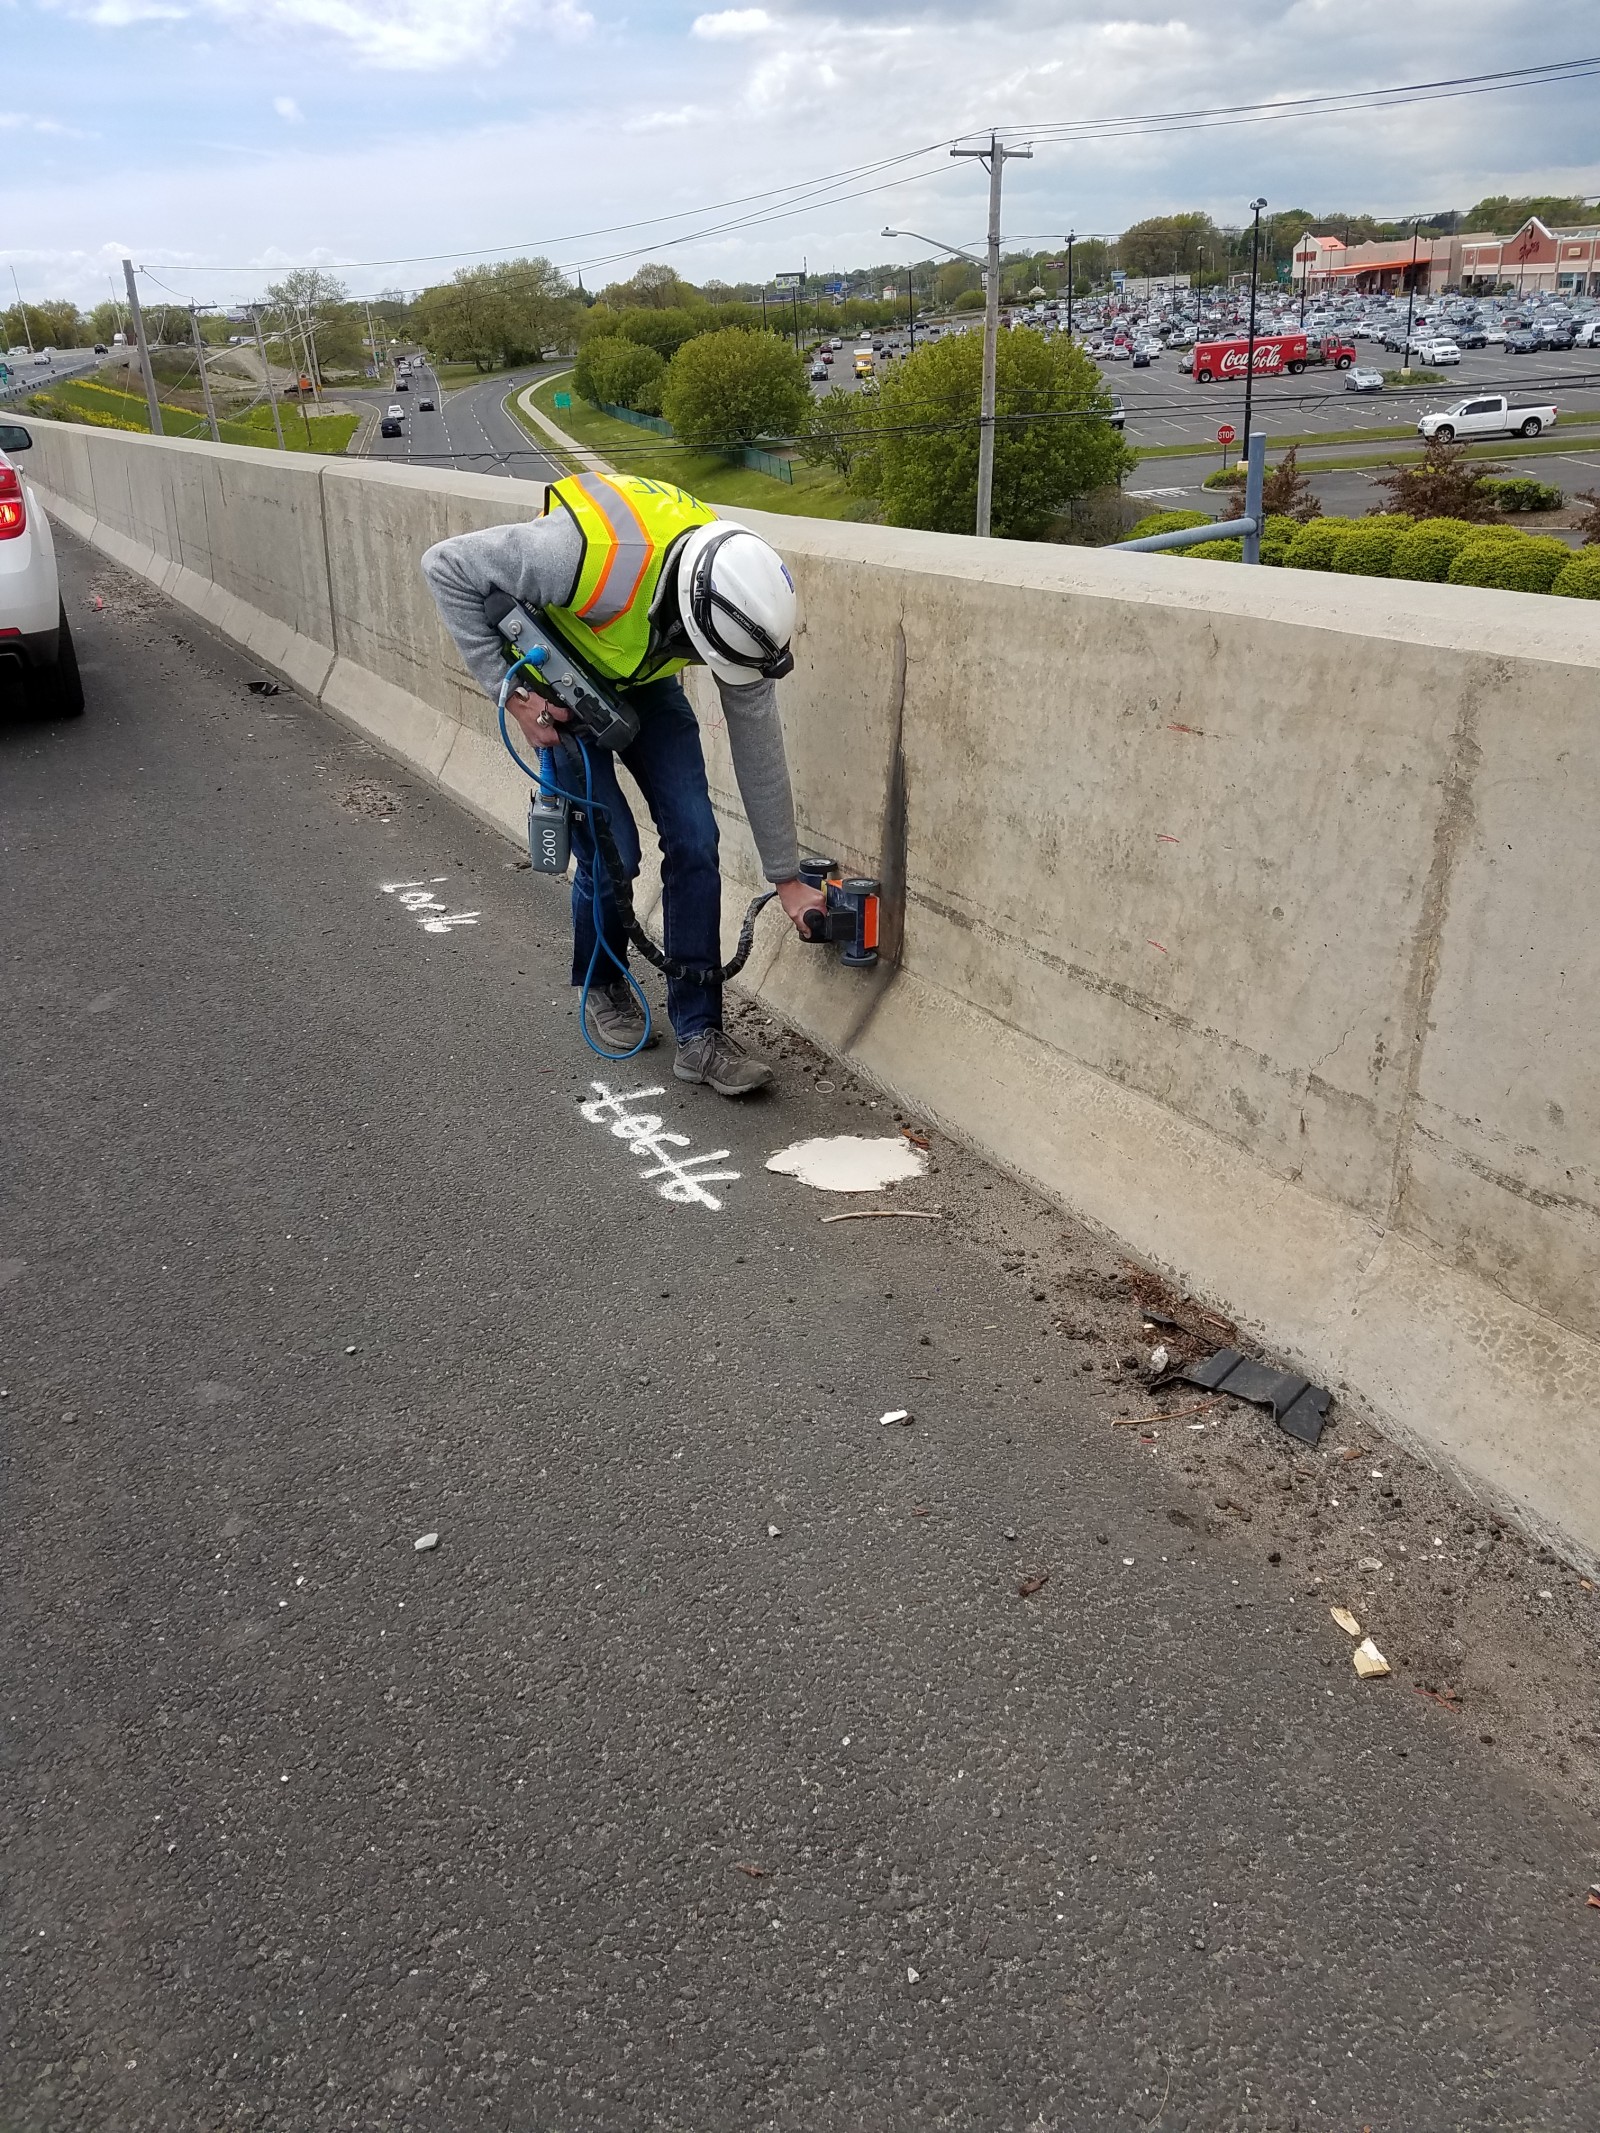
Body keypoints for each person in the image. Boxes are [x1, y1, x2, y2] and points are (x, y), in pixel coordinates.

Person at [422, 471, 825, 1096]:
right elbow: (446, 565)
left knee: (695, 837)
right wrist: (513, 694)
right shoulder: (580, 557)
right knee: (615, 855)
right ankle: (603, 982)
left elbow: (759, 751)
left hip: (641, 680)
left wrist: (787, 877)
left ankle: (700, 1034)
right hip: (559, 684)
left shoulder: (741, 595)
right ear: (684, 618)